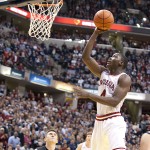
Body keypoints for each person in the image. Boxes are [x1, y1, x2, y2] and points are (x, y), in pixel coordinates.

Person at [74, 28, 131, 150]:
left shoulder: (124, 78)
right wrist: (95, 33)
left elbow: (115, 100)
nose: (110, 58)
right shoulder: (103, 72)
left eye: (114, 57)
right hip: (98, 121)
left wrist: (88, 94)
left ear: (121, 63)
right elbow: (86, 57)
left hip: (113, 120)